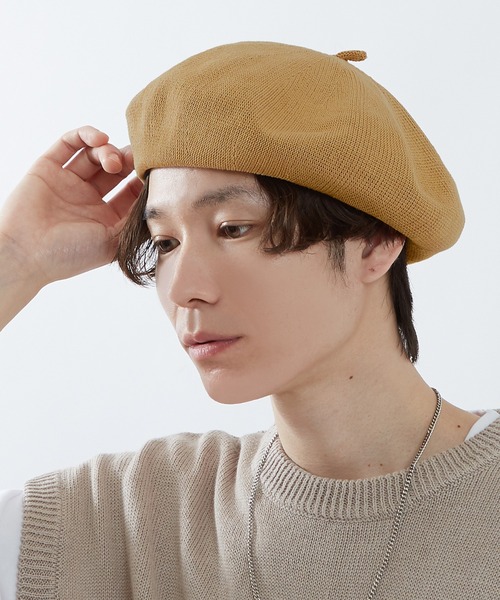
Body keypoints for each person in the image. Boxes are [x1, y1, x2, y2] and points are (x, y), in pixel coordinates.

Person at [0, 42, 498, 600]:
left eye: (233, 229)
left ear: (375, 242)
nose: (184, 289)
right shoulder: (125, 517)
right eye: (164, 243)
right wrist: (13, 259)